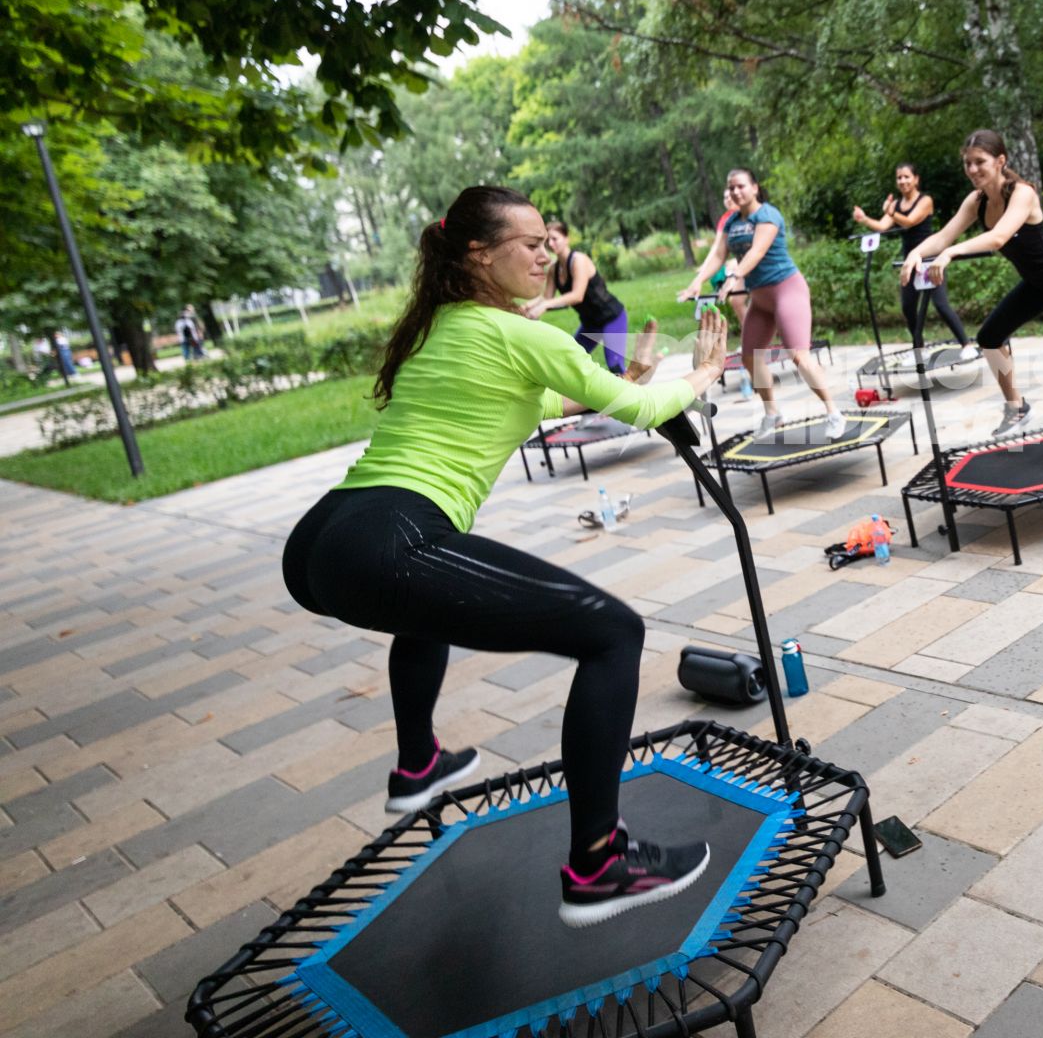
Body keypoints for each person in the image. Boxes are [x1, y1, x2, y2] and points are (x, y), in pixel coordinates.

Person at [282, 185, 729, 928]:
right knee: (613, 633)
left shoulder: (444, 327)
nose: (547, 252)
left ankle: (417, 763)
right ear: (478, 254)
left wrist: (633, 377)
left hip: (325, 539)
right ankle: (598, 863)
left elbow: (548, 404)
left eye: (548, 241)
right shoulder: (524, 335)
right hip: (388, 535)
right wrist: (704, 371)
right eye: (529, 242)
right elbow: (644, 414)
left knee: (423, 606)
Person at [903, 130, 1043, 446]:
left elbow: (998, 238)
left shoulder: (1022, 193)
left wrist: (950, 253)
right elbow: (943, 236)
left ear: (1000, 161)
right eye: (968, 163)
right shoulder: (976, 201)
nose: (973, 169)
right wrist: (916, 253)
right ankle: (1016, 407)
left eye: (980, 162)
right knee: (989, 337)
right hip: (1037, 284)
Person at [682, 169, 845, 440]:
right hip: (760, 300)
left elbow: (757, 251)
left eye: (741, 186)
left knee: (799, 355)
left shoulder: (767, 214)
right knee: (749, 357)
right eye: (731, 187)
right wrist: (697, 281)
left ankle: (833, 412)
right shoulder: (732, 223)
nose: (735, 191)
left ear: (755, 188)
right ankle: (772, 414)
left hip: (786, 291)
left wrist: (734, 276)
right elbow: (718, 255)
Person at [852, 162, 979, 360]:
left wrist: (892, 212)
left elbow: (911, 221)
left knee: (940, 304)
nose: (902, 181)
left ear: (916, 179)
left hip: (930, 257)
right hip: (909, 261)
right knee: (908, 307)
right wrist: (864, 219)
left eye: (906, 177)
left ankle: (966, 344)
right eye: (899, 177)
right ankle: (919, 349)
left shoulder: (925, 200)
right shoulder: (895, 205)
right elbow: (883, 226)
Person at [526, 220, 630, 374]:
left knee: (615, 366)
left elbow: (577, 295)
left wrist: (545, 306)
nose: (551, 243)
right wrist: (527, 306)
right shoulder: (554, 269)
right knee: (570, 362)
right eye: (547, 240)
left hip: (611, 317)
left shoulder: (578, 260)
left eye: (555, 238)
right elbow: (546, 298)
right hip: (590, 324)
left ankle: (638, 394)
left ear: (566, 238)